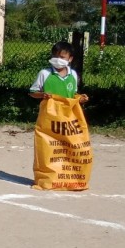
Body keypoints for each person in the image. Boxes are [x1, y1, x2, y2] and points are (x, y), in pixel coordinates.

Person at [29, 41, 92, 191]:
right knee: (50, 148)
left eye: (62, 56)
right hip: (50, 118)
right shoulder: (45, 73)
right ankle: (48, 179)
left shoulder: (73, 75)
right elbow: (32, 92)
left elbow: (72, 95)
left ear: (70, 59)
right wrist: (42, 95)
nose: (58, 59)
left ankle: (72, 179)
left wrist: (80, 98)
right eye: (55, 55)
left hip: (69, 119)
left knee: (71, 147)